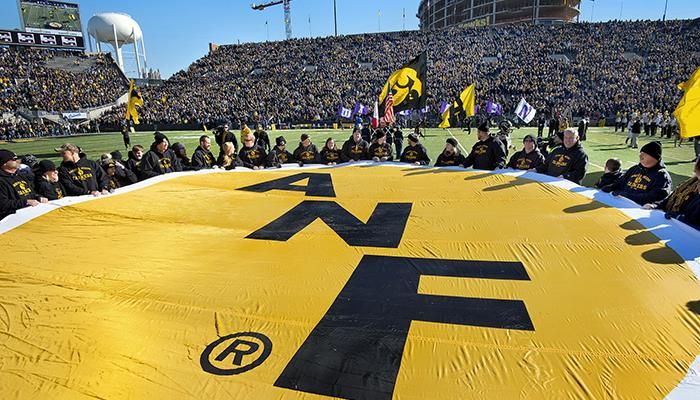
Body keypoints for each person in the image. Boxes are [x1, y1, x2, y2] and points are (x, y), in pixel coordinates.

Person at [601, 141, 672, 206]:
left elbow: (653, 197)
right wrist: (611, 187)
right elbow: (621, 182)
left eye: (644, 155)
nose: (640, 156)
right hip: (621, 204)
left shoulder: (662, 175)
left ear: (654, 157)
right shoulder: (635, 168)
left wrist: (626, 195)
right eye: (640, 154)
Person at [644, 158, 700, 230]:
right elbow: (674, 196)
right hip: (673, 224)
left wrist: (676, 216)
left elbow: (694, 221)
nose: (694, 168)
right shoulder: (692, 182)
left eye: (697, 164)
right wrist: (656, 205)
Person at [0, 149, 46, 220]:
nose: (17, 160)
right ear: (4, 163)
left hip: (30, 212)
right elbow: (3, 204)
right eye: (13, 159)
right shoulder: (2, 180)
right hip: (14, 218)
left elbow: (31, 192)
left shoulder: (20, 175)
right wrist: (26, 202)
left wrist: (38, 197)